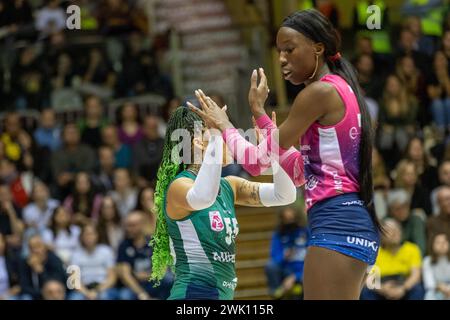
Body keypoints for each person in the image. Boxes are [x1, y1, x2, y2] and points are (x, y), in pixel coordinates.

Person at [191, 9, 381, 299]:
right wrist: (259, 114)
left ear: (318, 47)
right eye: (279, 51)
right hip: (348, 221)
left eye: (290, 50)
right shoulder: (340, 90)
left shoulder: (317, 94)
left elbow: (256, 164)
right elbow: (297, 172)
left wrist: (224, 124)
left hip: (336, 224)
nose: (281, 59)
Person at [150, 106, 297, 300]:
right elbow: (204, 197)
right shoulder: (179, 186)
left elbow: (284, 195)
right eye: (227, 135)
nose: (233, 142)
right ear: (201, 143)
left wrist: (275, 150)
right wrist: (216, 134)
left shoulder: (229, 186)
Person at [360, 219, 424, 300]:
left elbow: (416, 275)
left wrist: (403, 288)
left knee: (417, 289)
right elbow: (368, 279)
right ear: (381, 235)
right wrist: (382, 289)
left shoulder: (411, 248)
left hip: (404, 284)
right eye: (389, 230)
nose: (395, 233)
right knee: (366, 291)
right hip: (382, 286)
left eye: (397, 230)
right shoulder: (375, 251)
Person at [117, 212, 172, 300]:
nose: (128, 229)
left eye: (132, 225)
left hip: (153, 282)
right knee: (124, 295)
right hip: (135, 285)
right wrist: (141, 293)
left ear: (142, 225)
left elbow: (164, 269)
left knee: (168, 279)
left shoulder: (154, 242)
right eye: (127, 225)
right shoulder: (124, 245)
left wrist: (147, 276)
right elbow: (125, 275)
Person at [265, 207, 309, 299]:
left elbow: (312, 259)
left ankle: (297, 289)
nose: (290, 222)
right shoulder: (279, 234)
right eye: (286, 219)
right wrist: (284, 255)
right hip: (286, 269)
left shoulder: (306, 232)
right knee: (270, 266)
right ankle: (277, 294)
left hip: (303, 271)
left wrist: (295, 277)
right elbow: (274, 257)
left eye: (292, 219)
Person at [69, 224, 118, 300]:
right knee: (75, 298)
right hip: (84, 288)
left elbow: (112, 278)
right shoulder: (75, 254)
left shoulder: (106, 251)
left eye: (92, 234)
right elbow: (74, 280)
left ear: (97, 235)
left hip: (103, 287)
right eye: (86, 234)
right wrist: (87, 293)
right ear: (81, 236)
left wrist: (97, 291)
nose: (89, 237)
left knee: (104, 296)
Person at [19, 235, 66, 300]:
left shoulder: (54, 259)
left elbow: (57, 283)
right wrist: (40, 293)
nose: (35, 250)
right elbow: (24, 286)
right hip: (35, 295)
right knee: (25, 298)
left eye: (38, 246)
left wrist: (41, 272)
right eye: (32, 248)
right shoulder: (24, 263)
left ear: (44, 247)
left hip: (54, 294)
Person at [423, 233, 450, 300]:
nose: (442, 245)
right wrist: (440, 287)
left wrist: (448, 288)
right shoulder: (427, 261)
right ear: (432, 245)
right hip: (436, 289)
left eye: (444, 242)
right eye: (438, 242)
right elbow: (429, 283)